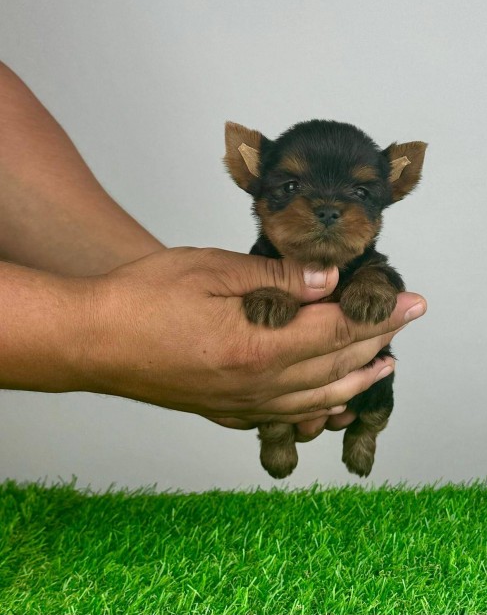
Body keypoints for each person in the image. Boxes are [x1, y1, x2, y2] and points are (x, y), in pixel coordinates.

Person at [0, 61, 426, 443]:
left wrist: (148, 301)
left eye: (360, 191)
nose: (328, 208)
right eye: (292, 188)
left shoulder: (368, 264)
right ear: (251, 174)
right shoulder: (262, 264)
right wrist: (106, 329)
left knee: (374, 379)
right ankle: (276, 436)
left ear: (395, 187)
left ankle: (366, 428)